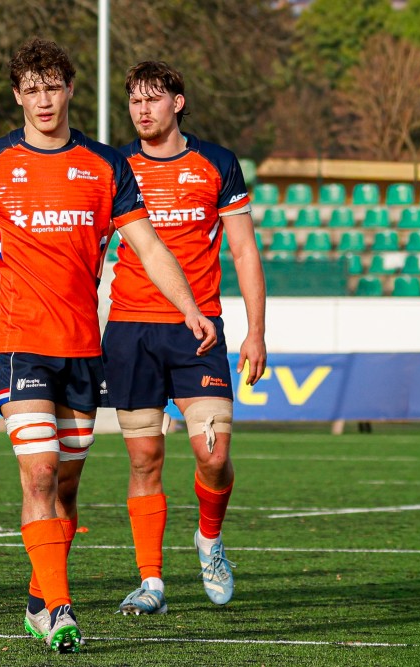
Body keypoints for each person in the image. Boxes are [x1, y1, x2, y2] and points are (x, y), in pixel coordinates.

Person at [0, 39, 216, 653]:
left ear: (70, 90)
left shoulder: (105, 165)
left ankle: (40, 596)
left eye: (53, 87)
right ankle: (62, 611)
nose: (43, 100)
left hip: (83, 351)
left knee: (64, 486)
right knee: (38, 473)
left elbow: (148, 247)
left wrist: (190, 308)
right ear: (17, 95)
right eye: (32, 89)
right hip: (19, 345)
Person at [104, 61, 267, 616]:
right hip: (130, 329)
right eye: (134, 100)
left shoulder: (218, 163)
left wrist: (256, 332)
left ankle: (209, 539)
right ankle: (150, 582)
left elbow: (243, 250)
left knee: (212, 454)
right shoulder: (117, 166)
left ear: (177, 102)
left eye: (153, 99)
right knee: (145, 458)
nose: (142, 109)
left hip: (199, 331)